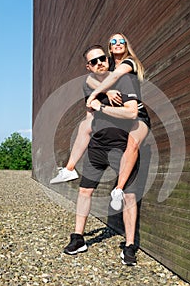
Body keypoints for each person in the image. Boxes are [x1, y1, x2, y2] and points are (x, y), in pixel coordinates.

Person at [50, 33, 150, 211]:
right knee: (85, 125)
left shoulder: (130, 62)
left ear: (126, 45)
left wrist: (98, 94)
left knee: (132, 145)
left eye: (121, 41)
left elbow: (113, 78)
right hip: (116, 116)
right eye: (113, 42)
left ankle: (118, 190)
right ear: (110, 48)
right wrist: (108, 92)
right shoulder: (107, 64)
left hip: (137, 115)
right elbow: (89, 79)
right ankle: (69, 168)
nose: (118, 44)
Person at [64, 45, 141, 265]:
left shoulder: (126, 80)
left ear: (108, 60)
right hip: (98, 146)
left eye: (102, 58)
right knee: (85, 190)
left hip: (122, 145)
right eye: (94, 61)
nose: (100, 63)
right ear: (89, 66)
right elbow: (89, 111)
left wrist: (101, 106)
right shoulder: (89, 84)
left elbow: (131, 112)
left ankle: (129, 246)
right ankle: (78, 238)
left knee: (129, 196)